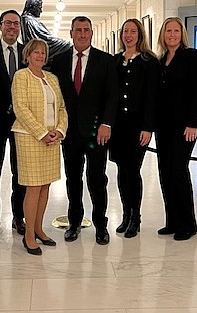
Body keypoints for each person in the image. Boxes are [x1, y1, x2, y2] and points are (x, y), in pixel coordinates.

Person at [50, 16, 118, 245]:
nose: (81, 34)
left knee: (97, 179)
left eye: (86, 30)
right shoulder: (58, 61)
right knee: (73, 178)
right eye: (77, 30)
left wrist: (107, 124)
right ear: (71, 33)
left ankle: (101, 225)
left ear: (91, 33)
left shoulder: (105, 61)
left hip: (97, 131)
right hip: (69, 132)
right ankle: (74, 222)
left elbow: (112, 95)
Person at [11, 39, 68, 255]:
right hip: (30, 137)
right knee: (33, 186)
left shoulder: (52, 78)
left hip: (52, 138)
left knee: (45, 185)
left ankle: (38, 229)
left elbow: (61, 107)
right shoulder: (21, 76)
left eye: (43, 53)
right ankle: (28, 236)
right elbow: (20, 108)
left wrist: (59, 131)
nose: (40, 56)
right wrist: (42, 133)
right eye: (35, 52)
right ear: (27, 55)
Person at [155, 17, 197, 241]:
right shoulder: (160, 59)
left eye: (176, 31)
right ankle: (172, 220)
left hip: (184, 126)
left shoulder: (192, 56)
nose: (172, 35)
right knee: (165, 173)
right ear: (163, 34)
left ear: (181, 34)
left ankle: (188, 223)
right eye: (168, 31)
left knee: (178, 171)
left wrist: (193, 122)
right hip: (163, 125)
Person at [109, 19, 159, 238]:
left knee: (133, 169)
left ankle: (136, 216)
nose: (129, 35)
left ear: (140, 34)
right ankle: (126, 214)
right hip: (118, 125)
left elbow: (152, 97)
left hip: (138, 126)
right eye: (125, 31)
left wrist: (148, 127)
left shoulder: (149, 61)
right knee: (121, 170)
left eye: (133, 31)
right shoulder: (115, 60)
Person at [0, 10, 27, 238]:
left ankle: (19, 217)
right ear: (0, 26)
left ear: (20, 27)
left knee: (21, 171)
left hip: (22, 122)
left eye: (15, 23)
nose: (12, 27)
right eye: (7, 23)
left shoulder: (27, 53)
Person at [21, 0, 71, 66]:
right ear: (32, 7)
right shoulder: (28, 20)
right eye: (39, 7)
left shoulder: (31, 20)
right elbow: (42, 37)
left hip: (46, 42)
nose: (41, 11)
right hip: (43, 44)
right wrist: (60, 42)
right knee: (68, 45)